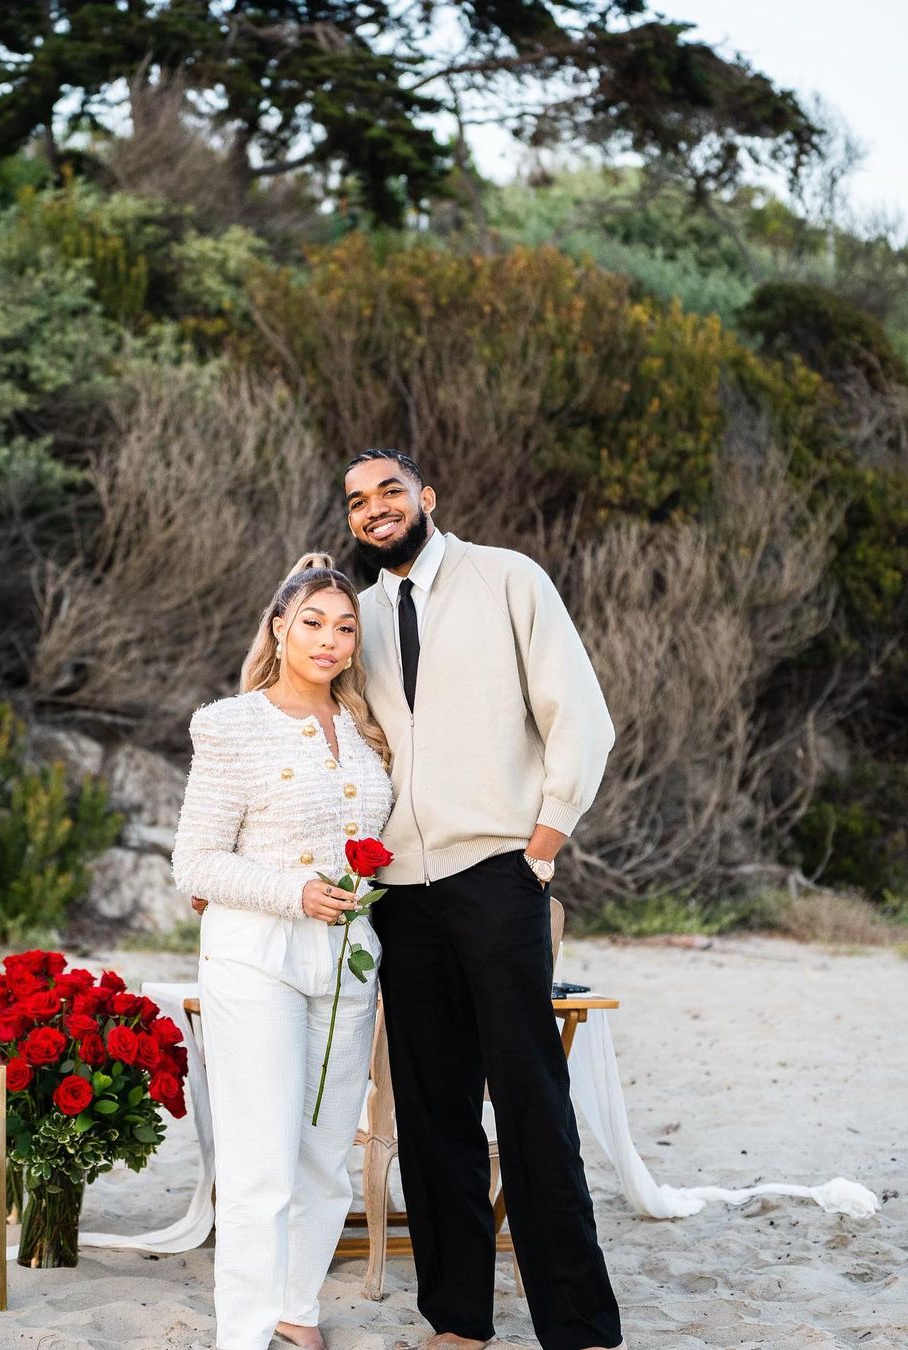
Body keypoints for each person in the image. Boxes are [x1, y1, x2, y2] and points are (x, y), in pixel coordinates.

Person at [344, 450, 626, 1350]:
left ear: (426, 497)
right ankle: (458, 1320)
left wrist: (544, 841)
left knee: (532, 1100)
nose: (375, 508)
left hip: (498, 874)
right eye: (358, 501)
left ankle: (578, 1326)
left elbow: (579, 715)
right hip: (401, 894)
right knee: (433, 1112)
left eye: (391, 491)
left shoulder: (508, 579)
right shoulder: (359, 615)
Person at [171, 554, 393, 1350]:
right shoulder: (232, 725)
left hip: (347, 963)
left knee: (327, 1153)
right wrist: (292, 891)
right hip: (256, 957)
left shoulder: (370, 733)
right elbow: (195, 863)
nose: (329, 640)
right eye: (312, 623)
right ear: (278, 627)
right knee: (261, 1160)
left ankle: (297, 1309)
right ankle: (242, 1333)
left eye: (345, 627)